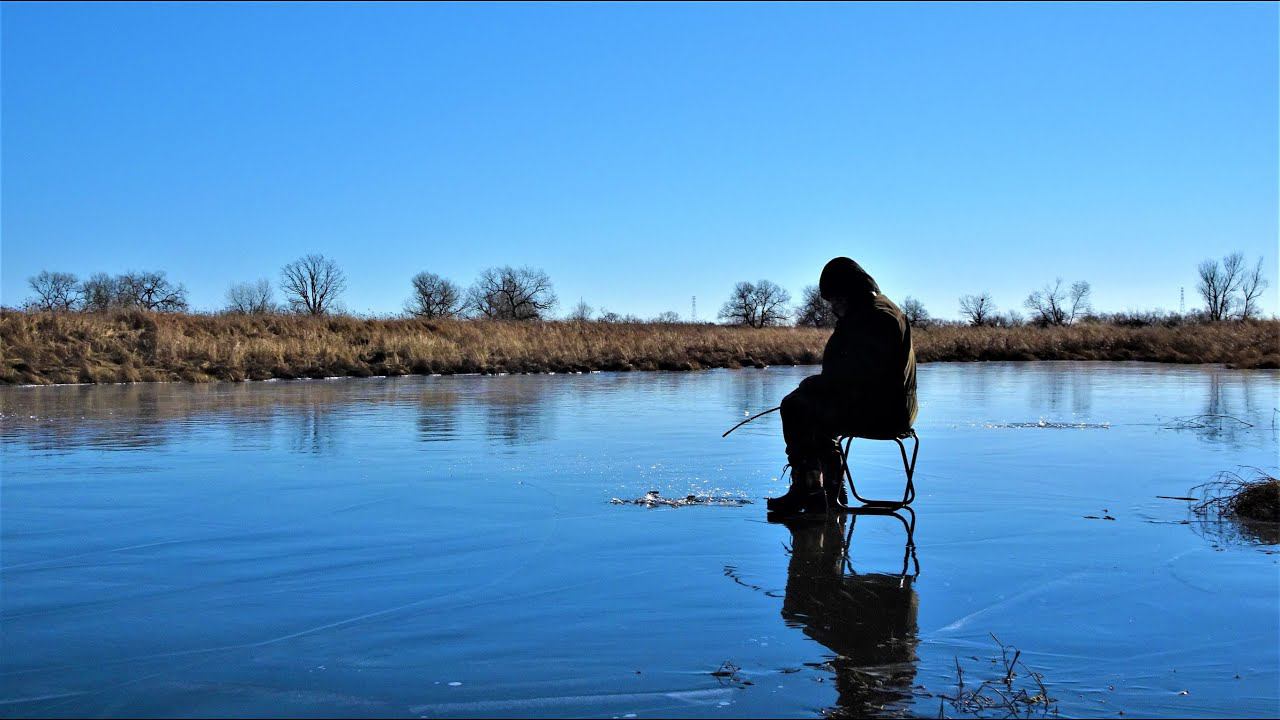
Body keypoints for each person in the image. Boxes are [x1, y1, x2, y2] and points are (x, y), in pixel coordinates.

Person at [767, 257, 917, 515]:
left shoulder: (877, 318)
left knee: (795, 407)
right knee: (810, 409)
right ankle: (830, 490)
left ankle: (810, 490)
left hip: (884, 411)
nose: (833, 307)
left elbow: (861, 376)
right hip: (882, 404)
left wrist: (815, 385)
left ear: (848, 293)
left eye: (835, 300)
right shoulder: (871, 312)